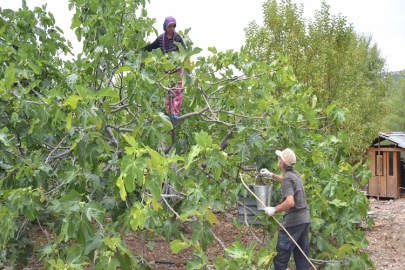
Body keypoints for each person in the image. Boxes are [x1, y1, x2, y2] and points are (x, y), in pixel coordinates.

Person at [260, 148, 311, 270]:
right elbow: (286, 181)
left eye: (279, 158)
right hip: (305, 220)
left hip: (294, 223)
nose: (278, 159)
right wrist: (271, 175)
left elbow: (290, 202)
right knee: (302, 256)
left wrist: (274, 209)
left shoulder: (288, 178)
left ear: (282, 163)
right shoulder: (295, 174)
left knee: (281, 258)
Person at [143, 16, 186, 120]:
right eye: (169, 26)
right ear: (165, 27)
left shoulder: (178, 38)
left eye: (173, 26)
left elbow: (184, 51)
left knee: (178, 90)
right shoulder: (161, 39)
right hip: (166, 69)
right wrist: (140, 50)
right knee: (169, 91)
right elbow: (151, 47)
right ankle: (170, 112)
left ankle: (176, 112)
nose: (171, 29)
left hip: (176, 67)